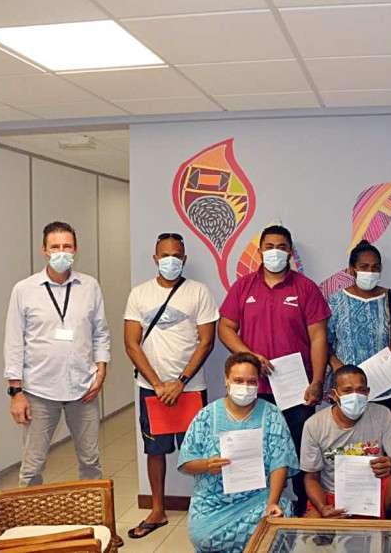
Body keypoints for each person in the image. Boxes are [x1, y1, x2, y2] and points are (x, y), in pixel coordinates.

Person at [218, 225, 330, 515]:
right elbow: (225, 328)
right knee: (254, 450)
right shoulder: (244, 286)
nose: (275, 252)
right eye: (269, 246)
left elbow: (319, 336)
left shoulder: (305, 287)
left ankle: (303, 507)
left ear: (290, 252)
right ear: (260, 251)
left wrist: (318, 380)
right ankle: (259, 506)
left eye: (281, 247)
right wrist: (249, 356)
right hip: (252, 389)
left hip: (297, 389)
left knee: (300, 450)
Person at [123, 232, 218, 539]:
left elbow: (206, 342)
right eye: (165, 255)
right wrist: (157, 383)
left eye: (176, 255)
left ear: (184, 258)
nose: (171, 261)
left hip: (190, 388)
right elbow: (131, 343)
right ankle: (157, 509)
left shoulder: (199, 291)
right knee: (155, 451)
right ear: (155, 259)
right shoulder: (139, 294)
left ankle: (205, 504)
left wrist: (180, 382)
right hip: (152, 389)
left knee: (199, 450)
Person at [4, 221, 110, 486]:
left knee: (91, 462)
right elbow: (14, 342)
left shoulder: (90, 286)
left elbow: (101, 332)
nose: (61, 252)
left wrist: (101, 370)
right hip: (39, 391)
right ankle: (30, 513)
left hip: (83, 389)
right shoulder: (24, 290)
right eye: (55, 247)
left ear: (75, 249)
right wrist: (16, 392)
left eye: (67, 246)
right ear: (44, 250)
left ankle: (92, 511)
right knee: (32, 467)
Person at [178, 352, 299, 553]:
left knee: (278, 523)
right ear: (226, 380)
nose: (245, 387)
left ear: (258, 384)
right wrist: (207, 465)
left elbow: (280, 462)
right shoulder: (206, 415)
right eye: (238, 380)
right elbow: (186, 462)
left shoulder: (271, 414)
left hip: (259, 498)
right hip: (213, 502)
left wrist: (272, 502)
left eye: (251, 382)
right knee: (202, 535)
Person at [301, 365, 391, 519]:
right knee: (311, 521)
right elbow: (311, 478)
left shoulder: (382, 414)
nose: (355, 396)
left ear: (368, 392)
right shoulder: (314, 425)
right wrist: (322, 508)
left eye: (361, 390)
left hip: (373, 491)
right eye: (347, 391)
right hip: (332, 494)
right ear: (334, 395)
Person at [327, 240, 391, 411]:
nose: (370, 272)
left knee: (380, 428)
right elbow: (323, 341)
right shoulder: (335, 301)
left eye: (375, 267)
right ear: (351, 269)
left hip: (383, 387)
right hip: (346, 388)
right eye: (364, 267)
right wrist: (335, 363)